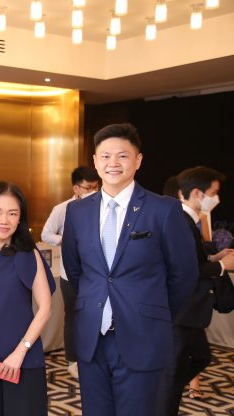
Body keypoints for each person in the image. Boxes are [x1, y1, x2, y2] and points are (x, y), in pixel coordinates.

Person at [61, 123, 197, 416]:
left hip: (143, 336)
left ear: (138, 160)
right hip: (92, 338)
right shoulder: (77, 211)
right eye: (105, 156)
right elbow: (75, 271)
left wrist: (152, 311)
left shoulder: (163, 210)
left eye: (122, 156)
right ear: (95, 161)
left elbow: (184, 275)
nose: (113, 163)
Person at [0, 181, 55, 416]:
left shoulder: (29, 254)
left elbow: (45, 308)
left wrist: (20, 352)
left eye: (12, 213)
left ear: (20, 219)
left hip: (23, 361)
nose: (4, 220)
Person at [156, 166, 234, 415]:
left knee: (200, 358)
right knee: (172, 372)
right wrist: (222, 266)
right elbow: (185, 269)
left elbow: (192, 260)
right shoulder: (180, 220)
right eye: (214, 192)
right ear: (198, 193)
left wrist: (214, 258)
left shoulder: (190, 219)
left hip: (191, 310)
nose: (216, 198)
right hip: (181, 309)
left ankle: (159, 393)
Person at [41, 165, 99, 379]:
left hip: (96, 273)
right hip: (70, 273)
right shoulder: (63, 209)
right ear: (76, 188)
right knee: (73, 316)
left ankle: (93, 357)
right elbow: (46, 234)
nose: (93, 191)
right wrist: (67, 240)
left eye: (96, 187)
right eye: (88, 188)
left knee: (94, 315)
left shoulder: (103, 206)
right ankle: (73, 360)